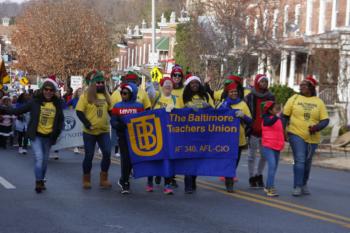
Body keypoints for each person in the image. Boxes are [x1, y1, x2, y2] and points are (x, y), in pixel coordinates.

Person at [0, 76, 64, 193]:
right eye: (46, 89)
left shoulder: (58, 104)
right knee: (39, 158)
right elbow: (18, 111)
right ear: (42, 90)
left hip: (49, 137)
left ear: (54, 92)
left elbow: (60, 121)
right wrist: (3, 109)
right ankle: (38, 182)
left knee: (44, 161)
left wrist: (57, 133)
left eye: (51, 90)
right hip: (36, 136)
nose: (48, 92)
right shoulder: (34, 102)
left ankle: (42, 179)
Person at [283, 76, 329, 196]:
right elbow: (284, 116)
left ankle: (304, 183)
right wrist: (282, 130)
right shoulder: (294, 98)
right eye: (301, 84)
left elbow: (325, 120)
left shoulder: (319, 102)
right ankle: (297, 186)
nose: (301, 86)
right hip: (295, 133)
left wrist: (316, 127)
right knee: (300, 159)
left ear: (311, 87)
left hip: (313, 137)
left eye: (305, 85)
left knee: (307, 162)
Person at [145, 77, 184, 194]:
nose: (168, 85)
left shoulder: (175, 99)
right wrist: (148, 82)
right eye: (166, 83)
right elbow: (150, 94)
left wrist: (174, 110)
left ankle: (167, 184)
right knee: (153, 158)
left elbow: (181, 114)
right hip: (155, 132)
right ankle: (149, 182)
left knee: (168, 159)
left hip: (169, 134)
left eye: (170, 84)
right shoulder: (157, 95)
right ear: (162, 86)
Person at [76, 71, 112, 190]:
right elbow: (79, 112)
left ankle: (104, 178)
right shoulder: (85, 96)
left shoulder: (107, 97)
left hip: (104, 131)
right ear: (93, 84)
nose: (100, 84)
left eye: (102, 82)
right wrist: (87, 124)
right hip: (89, 132)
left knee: (107, 153)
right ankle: (86, 179)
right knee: (89, 155)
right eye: (98, 82)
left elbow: (112, 112)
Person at [110, 82, 145, 194]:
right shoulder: (117, 106)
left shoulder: (139, 106)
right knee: (126, 159)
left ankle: (123, 179)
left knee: (133, 159)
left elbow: (144, 120)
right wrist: (122, 125)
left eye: (125, 93)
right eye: (122, 93)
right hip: (123, 137)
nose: (123, 95)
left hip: (136, 137)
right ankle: (125, 182)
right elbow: (113, 122)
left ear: (132, 93)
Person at [182, 74, 214, 194]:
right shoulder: (184, 96)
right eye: (192, 83)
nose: (194, 85)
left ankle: (193, 179)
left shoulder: (205, 96)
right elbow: (177, 111)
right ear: (189, 85)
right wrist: (187, 108)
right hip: (188, 133)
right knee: (190, 158)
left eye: (196, 83)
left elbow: (214, 110)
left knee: (198, 159)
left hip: (202, 133)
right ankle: (188, 183)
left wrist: (208, 107)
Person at [218, 82, 252, 192]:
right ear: (228, 93)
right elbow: (215, 117)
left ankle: (229, 177)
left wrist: (243, 116)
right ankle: (229, 182)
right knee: (229, 161)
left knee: (235, 161)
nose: (234, 93)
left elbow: (250, 120)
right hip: (225, 139)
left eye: (235, 92)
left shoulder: (242, 104)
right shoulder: (223, 104)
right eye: (231, 92)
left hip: (239, 139)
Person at [245, 74, 275, 189]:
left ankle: (259, 174)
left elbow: (273, 112)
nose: (264, 84)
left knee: (264, 155)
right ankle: (251, 177)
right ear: (257, 82)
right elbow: (246, 110)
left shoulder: (270, 97)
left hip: (266, 131)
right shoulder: (250, 96)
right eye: (262, 82)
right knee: (251, 156)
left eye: (266, 82)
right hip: (253, 130)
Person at [261, 101, 284, 197]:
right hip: (268, 146)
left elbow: (280, 131)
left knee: (274, 168)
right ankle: (270, 188)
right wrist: (277, 116)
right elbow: (268, 123)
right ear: (270, 110)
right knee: (272, 166)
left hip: (277, 146)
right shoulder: (266, 119)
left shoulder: (277, 119)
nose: (277, 109)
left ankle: (267, 186)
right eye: (275, 108)